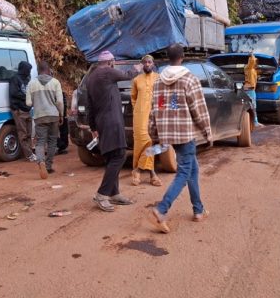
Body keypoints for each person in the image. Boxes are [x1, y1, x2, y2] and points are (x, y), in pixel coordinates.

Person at [149, 43, 212, 233]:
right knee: (184, 172)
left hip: (168, 133)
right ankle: (161, 209)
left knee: (192, 169)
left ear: (168, 57)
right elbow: (199, 110)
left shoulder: (158, 82)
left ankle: (198, 210)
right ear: (182, 57)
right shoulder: (189, 79)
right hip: (184, 134)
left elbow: (154, 110)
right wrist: (207, 132)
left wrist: (154, 134)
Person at [86, 50, 141, 212]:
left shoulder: (90, 78)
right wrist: (137, 68)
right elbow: (127, 75)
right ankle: (102, 194)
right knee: (120, 155)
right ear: (110, 62)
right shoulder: (107, 72)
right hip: (112, 121)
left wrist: (93, 127)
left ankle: (114, 193)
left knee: (111, 156)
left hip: (102, 122)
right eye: (113, 62)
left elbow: (89, 106)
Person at [26, 61, 64, 179]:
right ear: (48, 70)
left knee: (40, 142)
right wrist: (61, 115)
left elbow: (28, 103)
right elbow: (59, 102)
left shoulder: (31, 84)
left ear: (38, 70)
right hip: (53, 116)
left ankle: (40, 161)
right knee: (52, 141)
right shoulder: (55, 82)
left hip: (39, 116)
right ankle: (48, 166)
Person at [130, 55, 161, 187]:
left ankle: (137, 170)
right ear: (142, 65)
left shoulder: (159, 78)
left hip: (155, 116)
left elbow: (162, 97)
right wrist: (139, 110)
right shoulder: (137, 80)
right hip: (140, 116)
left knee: (152, 143)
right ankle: (152, 174)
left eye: (150, 62)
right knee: (142, 143)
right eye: (145, 62)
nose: (147, 64)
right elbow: (133, 98)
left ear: (153, 64)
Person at [9, 61, 34, 162]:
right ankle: (29, 155)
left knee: (29, 133)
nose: (29, 72)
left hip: (27, 110)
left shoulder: (27, 79)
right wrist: (27, 96)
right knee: (23, 134)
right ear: (23, 70)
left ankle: (30, 153)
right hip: (19, 110)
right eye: (28, 70)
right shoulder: (15, 79)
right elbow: (14, 93)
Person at [243, 53, 260, 126]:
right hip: (248, 90)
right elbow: (252, 60)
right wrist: (252, 55)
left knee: (253, 107)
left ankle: (254, 122)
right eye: (255, 61)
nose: (256, 62)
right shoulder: (248, 67)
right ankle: (254, 123)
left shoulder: (252, 70)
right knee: (252, 107)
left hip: (251, 90)